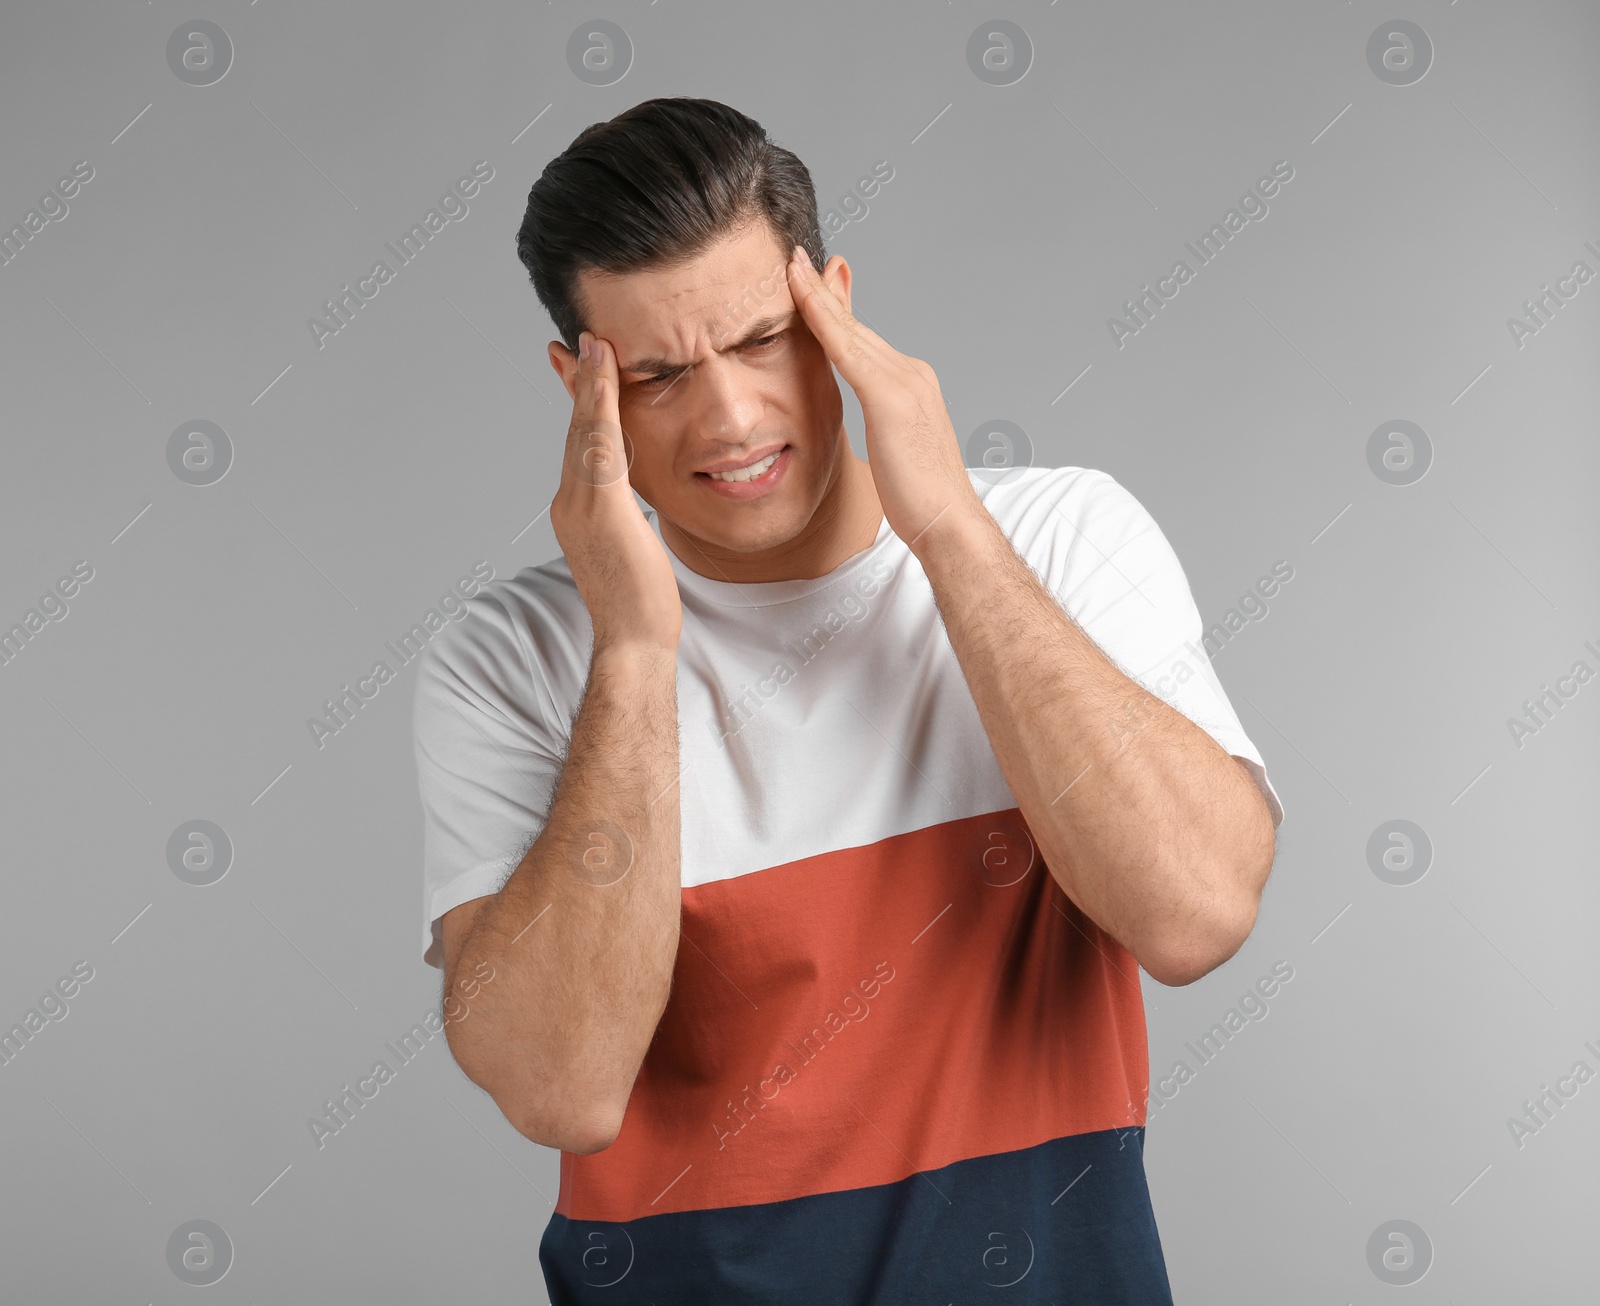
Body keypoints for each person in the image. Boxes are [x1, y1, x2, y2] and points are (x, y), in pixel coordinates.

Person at [411, 96, 1284, 1304]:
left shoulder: (1057, 536)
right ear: (579, 384)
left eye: (763, 338)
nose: (729, 417)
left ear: (834, 302)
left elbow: (1194, 915)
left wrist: (949, 538)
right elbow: (558, 1082)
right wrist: (630, 650)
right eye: (658, 373)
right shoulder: (511, 654)